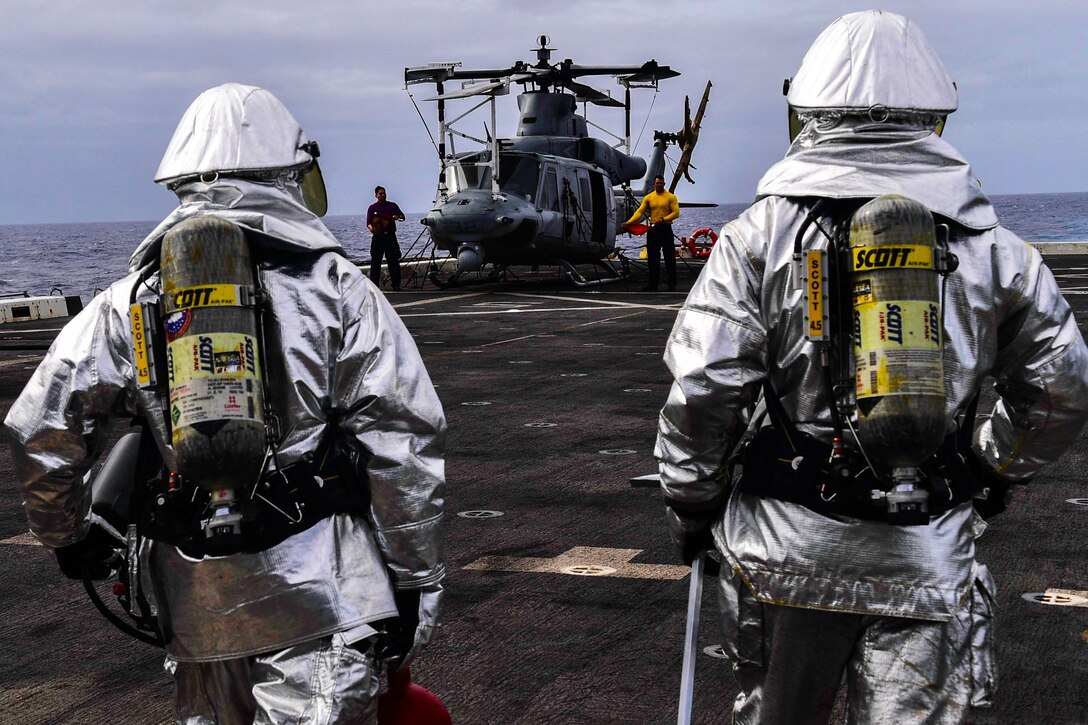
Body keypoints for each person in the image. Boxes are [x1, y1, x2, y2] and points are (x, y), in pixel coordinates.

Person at [655, 10, 1088, 723]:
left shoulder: (757, 235)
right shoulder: (996, 247)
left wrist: (692, 502)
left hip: (787, 551)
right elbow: (1062, 386)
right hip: (925, 553)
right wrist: (989, 471)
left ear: (811, 111)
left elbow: (704, 390)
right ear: (933, 114)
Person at [4, 83, 446, 723]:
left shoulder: (129, 298)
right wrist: (416, 581)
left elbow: (39, 428)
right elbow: (402, 439)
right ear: (286, 171)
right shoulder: (339, 287)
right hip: (325, 596)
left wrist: (68, 536)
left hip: (195, 605)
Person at [624, 174, 680, 291]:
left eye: (661, 183)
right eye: (657, 183)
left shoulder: (670, 197)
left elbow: (676, 213)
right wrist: (629, 223)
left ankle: (672, 284)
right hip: (653, 230)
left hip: (665, 229)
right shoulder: (649, 198)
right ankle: (653, 284)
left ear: (664, 184)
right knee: (653, 259)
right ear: (654, 184)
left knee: (670, 258)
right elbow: (639, 212)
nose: (659, 185)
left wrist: (663, 219)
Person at [367, 185, 407, 291]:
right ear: (376, 195)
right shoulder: (372, 208)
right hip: (378, 237)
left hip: (390, 236)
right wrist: (371, 228)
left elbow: (402, 217)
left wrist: (396, 217)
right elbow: (369, 223)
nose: (382, 195)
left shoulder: (392, 205)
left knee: (393, 261)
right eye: (380, 193)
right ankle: (374, 285)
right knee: (375, 261)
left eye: (384, 193)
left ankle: (396, 284)